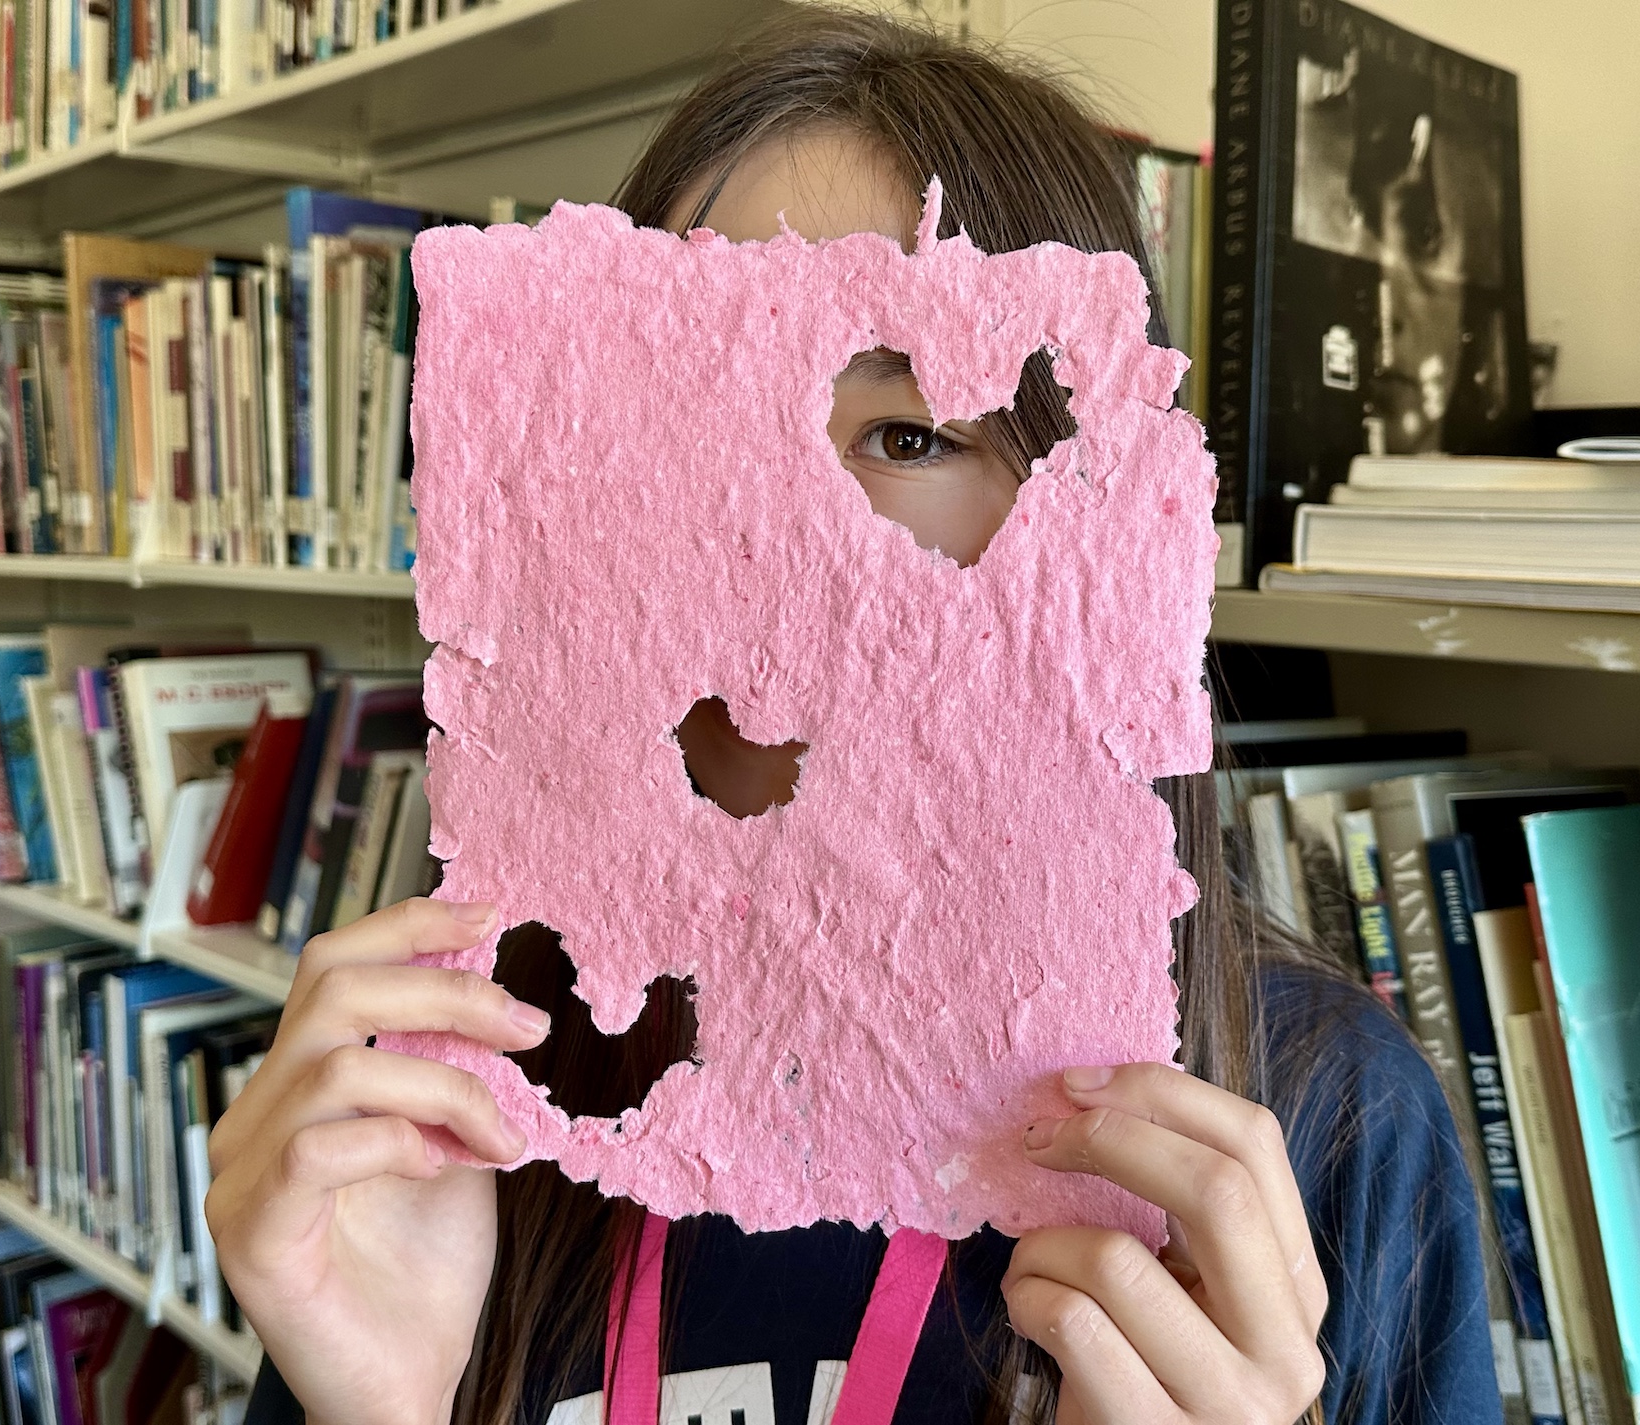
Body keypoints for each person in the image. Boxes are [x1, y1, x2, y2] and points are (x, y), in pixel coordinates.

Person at [208, 12, 1499, 1425]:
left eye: (905, 434)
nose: (770, 526)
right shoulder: (480, 1082)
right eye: (690, 410)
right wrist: (380, 1410)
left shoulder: (1320, 1124)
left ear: (1084, 504)